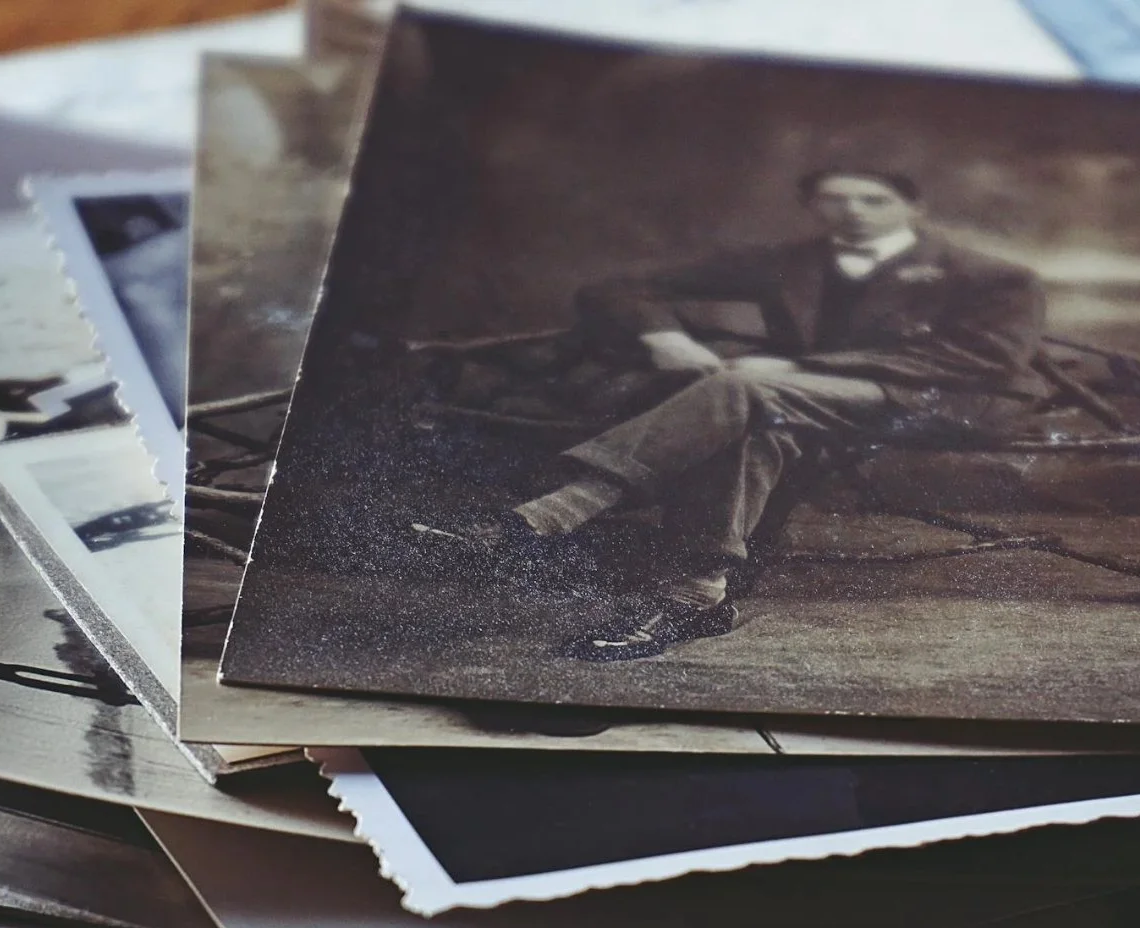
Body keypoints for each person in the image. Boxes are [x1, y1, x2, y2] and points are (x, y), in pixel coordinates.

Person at [428, 168, 1052, 661]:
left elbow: (986, 359)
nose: (851, 212)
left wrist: (815, 369)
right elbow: (615, 288)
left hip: (944, 403)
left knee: (748, 390)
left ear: (913, 209)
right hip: (798, 403)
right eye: (834, 199)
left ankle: (549, 516)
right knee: (754, 421)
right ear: (814, 207)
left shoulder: (991, 275)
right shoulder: (791, 261)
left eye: (873, 199)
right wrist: (662, 338)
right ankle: (691, 597)